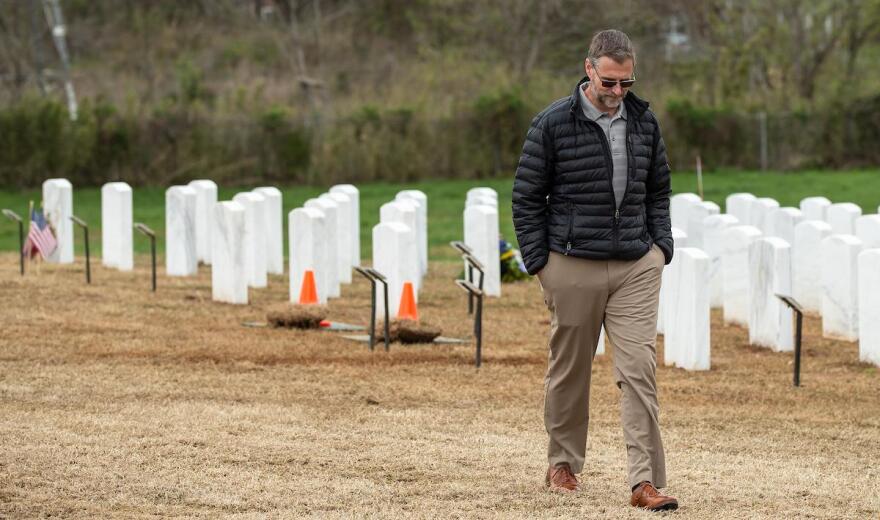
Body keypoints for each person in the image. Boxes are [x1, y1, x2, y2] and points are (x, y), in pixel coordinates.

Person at [512, 29, 677, 511]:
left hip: (635, 264)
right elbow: (526, 197)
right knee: (569, 369)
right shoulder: (552, 123)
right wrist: (541, 264)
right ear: (589, 69)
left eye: (626, 83)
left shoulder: (645, 122)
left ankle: (645, 482)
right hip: (571, 262)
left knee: (638, 370)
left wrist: (660, 247)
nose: (618, 92)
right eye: (610, 81)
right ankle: (562, 462)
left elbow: (658, 190)